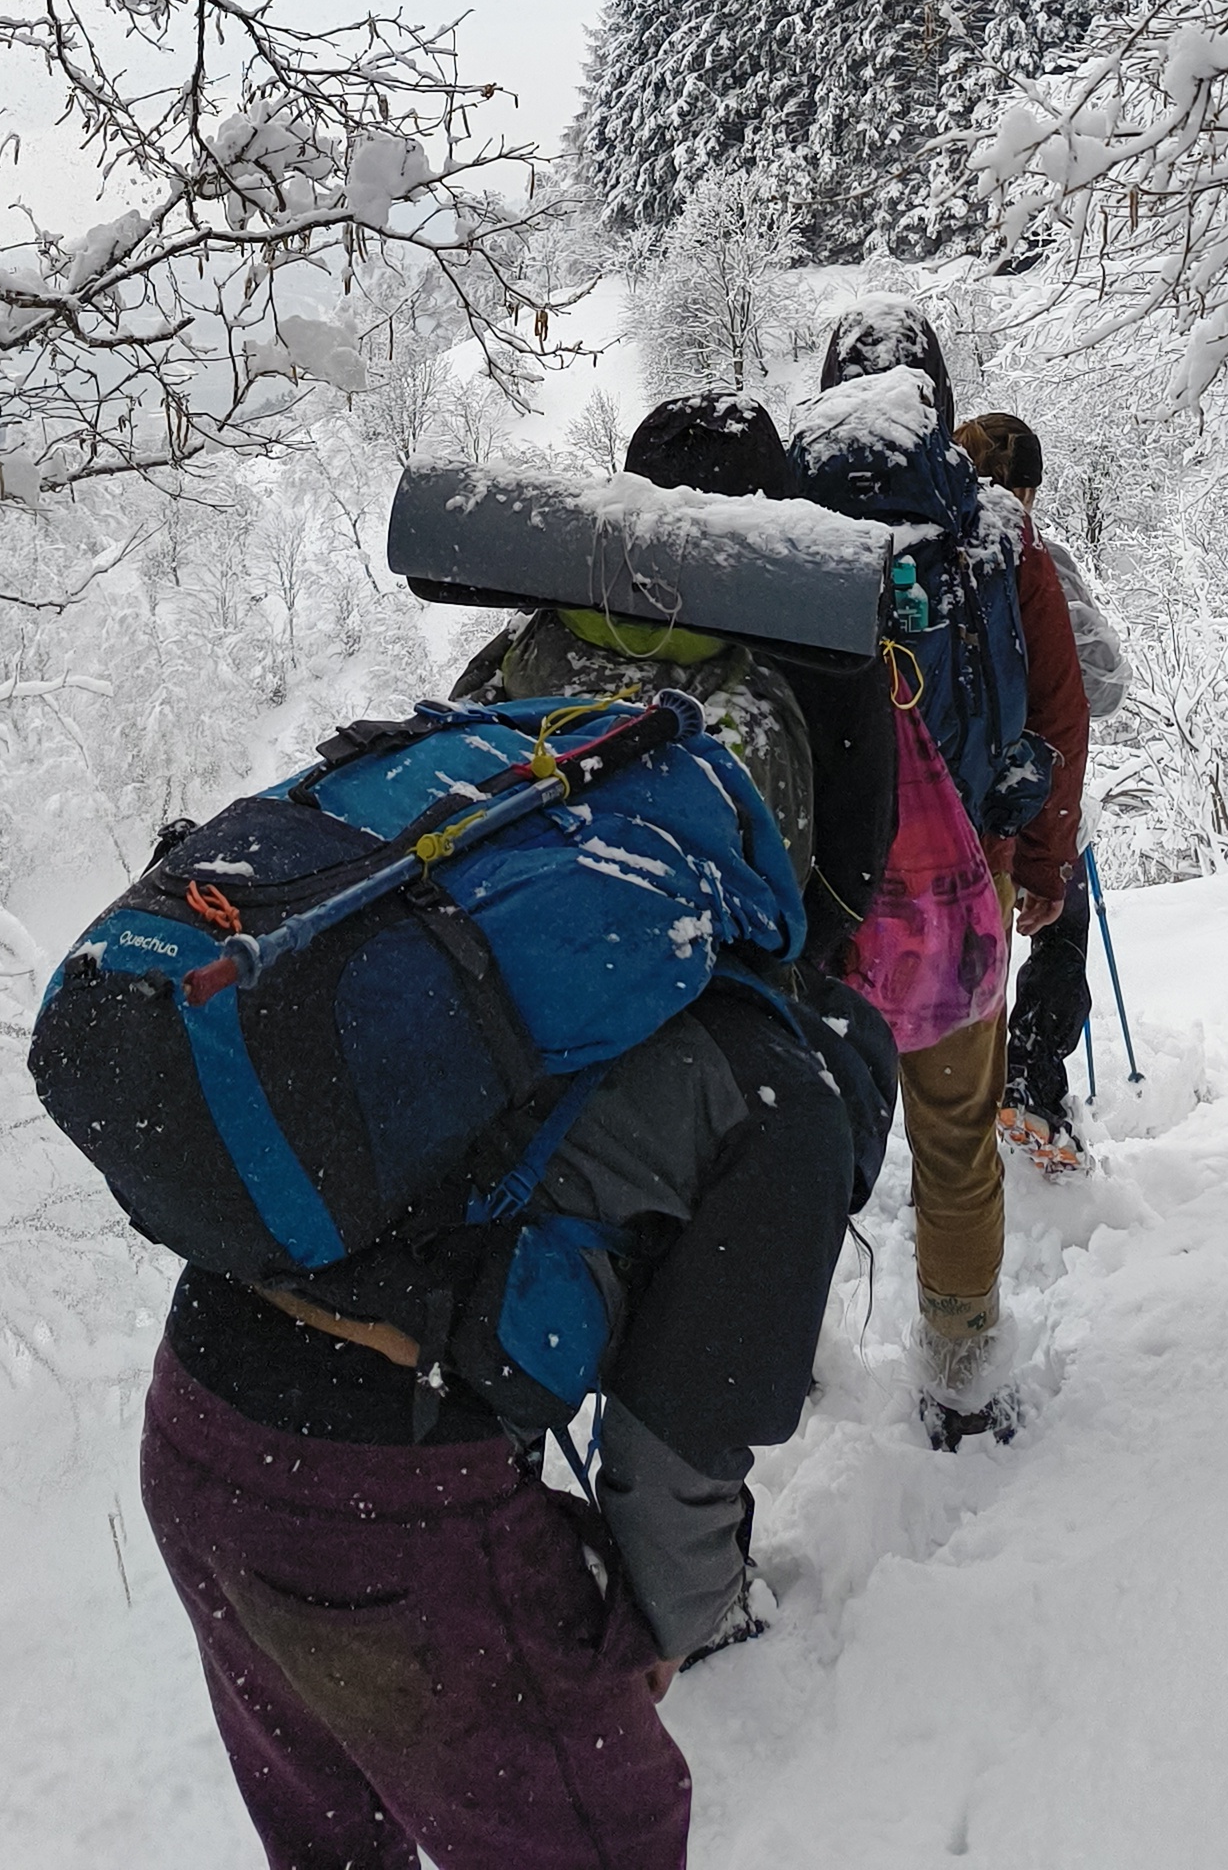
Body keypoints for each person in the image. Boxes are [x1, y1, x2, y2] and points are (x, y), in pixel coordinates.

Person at [136, 583, 900, 1870]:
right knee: (613, 1832)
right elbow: (680, 1439)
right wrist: (662, 1625)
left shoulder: (552, 936)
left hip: (195, 1419)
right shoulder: (793, 1102)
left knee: (335, 1843)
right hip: (383, 1499)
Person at [783, 302, 1063, 1448]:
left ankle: (780, 1363)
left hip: (816, 909)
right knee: (954, 1143)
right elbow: (1048, 709)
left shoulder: (777, 526)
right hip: (961, 893)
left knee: (794, 1142)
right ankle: (959, 1377)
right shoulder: (992, 530)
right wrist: (1036, 856)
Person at [453, 392, 899, 974]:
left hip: (507, 948)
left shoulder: (553, 616)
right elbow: (859, 840)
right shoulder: (816, 642)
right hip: (722, 975)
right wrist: (810, 949)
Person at [954, 409, 1118, 1173]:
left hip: (947, 807)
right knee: (1060, 930)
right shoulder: (1038, 557)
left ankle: (953, 1110)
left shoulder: (918, 551)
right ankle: (1031, 1083)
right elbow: (1104, 684)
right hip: (1038, 798)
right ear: (1029, 487)